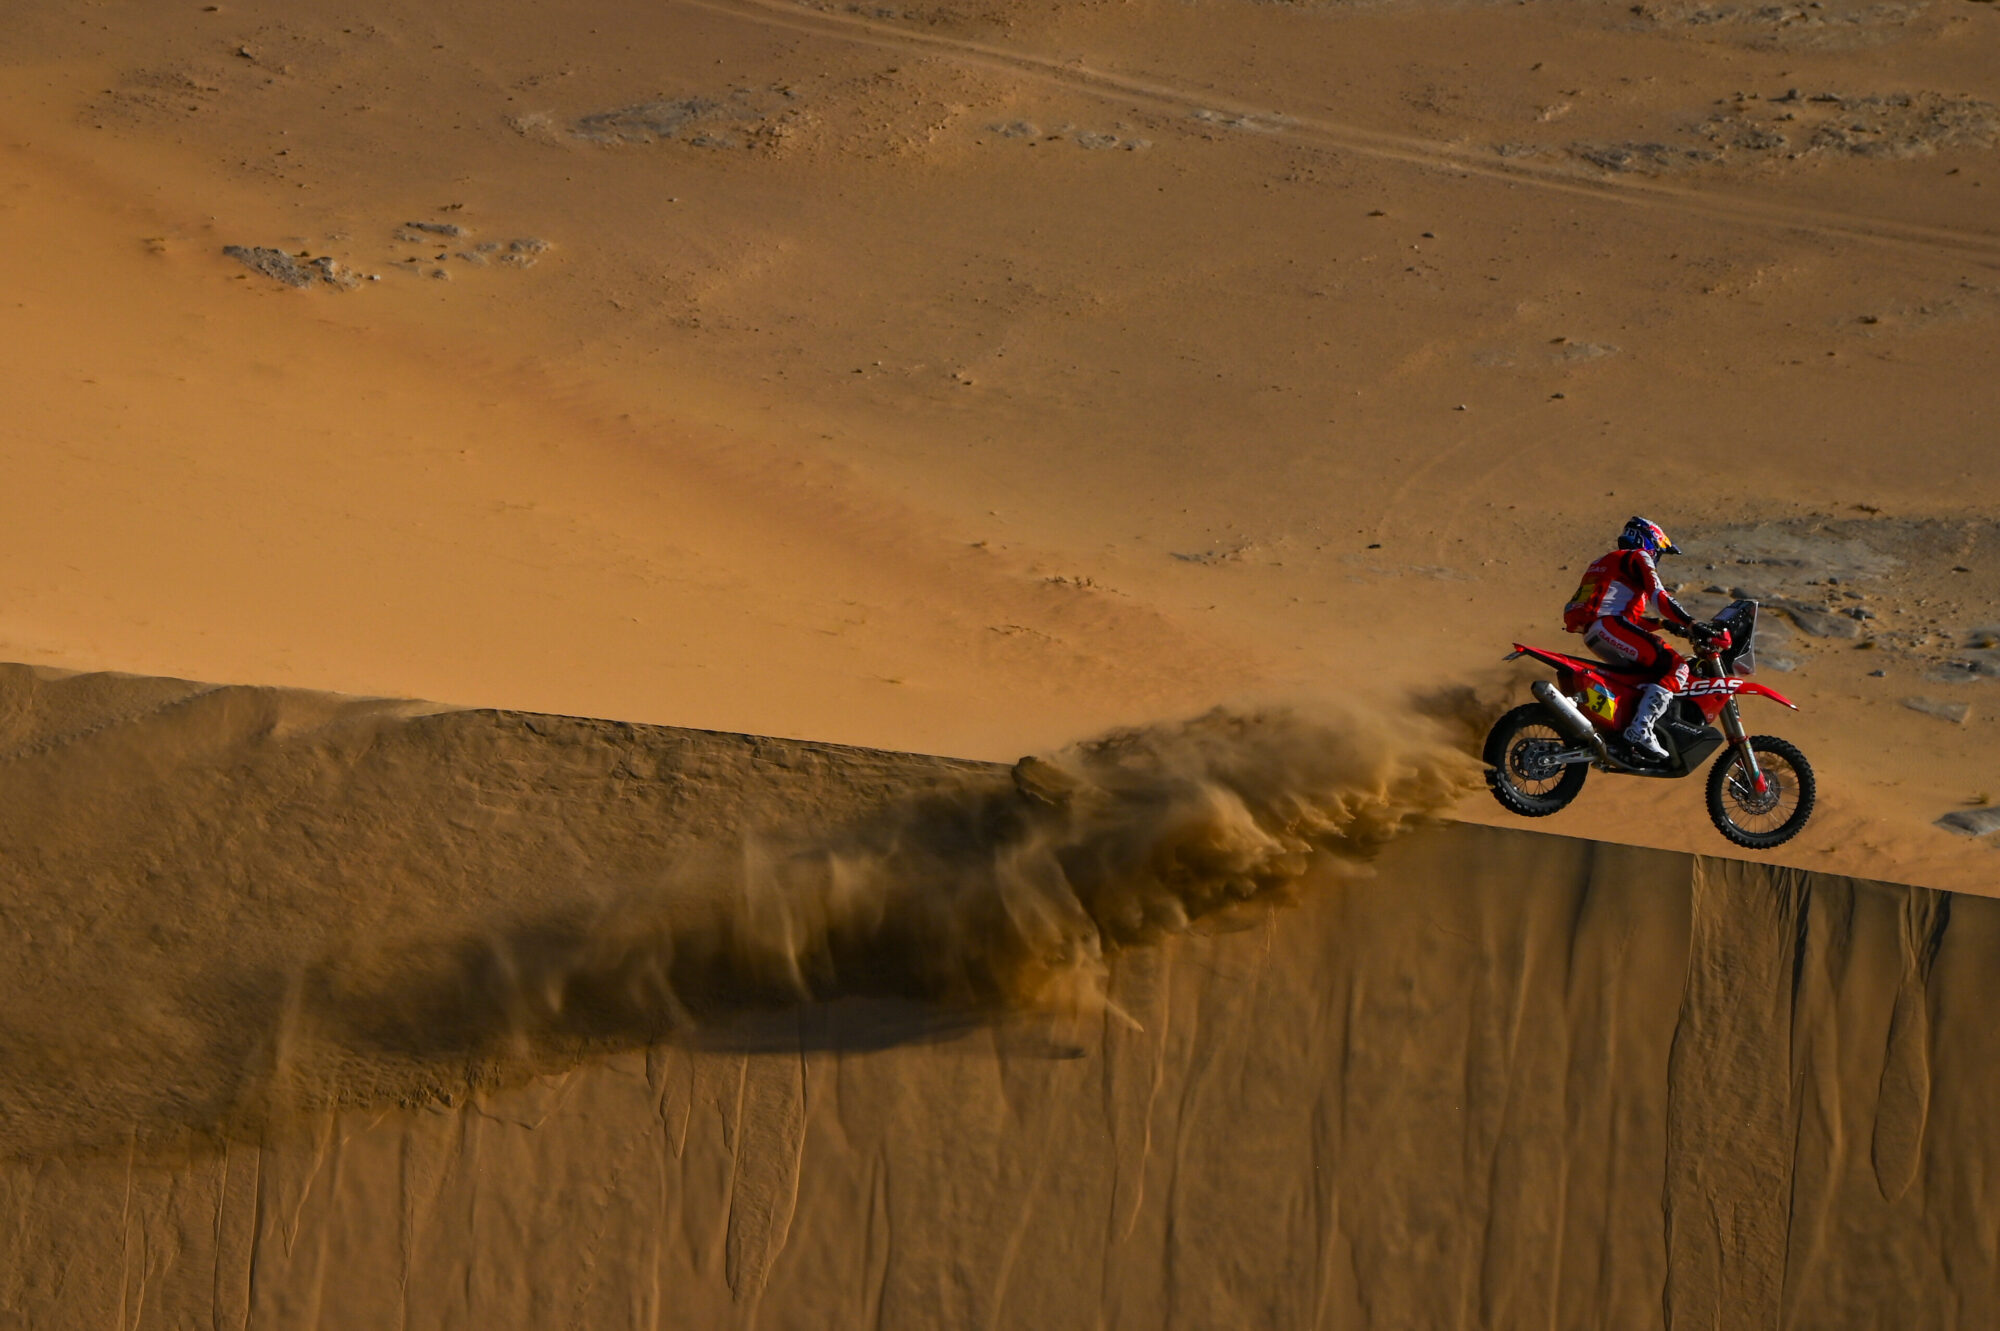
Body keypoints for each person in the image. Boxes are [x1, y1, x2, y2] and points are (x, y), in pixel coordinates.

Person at [1562, 517, 1696, 761]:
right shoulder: (1639, 556)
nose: (1657, 557)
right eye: (1658, 551)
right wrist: (1691, 623)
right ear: (1649, 542)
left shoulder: (1605, 561)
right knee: (1678, 666)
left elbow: (1621, 613)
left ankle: (1619, 728)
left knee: (1645, 675)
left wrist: (1663, 624)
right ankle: (1640, 731)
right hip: (1608, 626)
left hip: (1595, 632)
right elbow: (1660, 597)